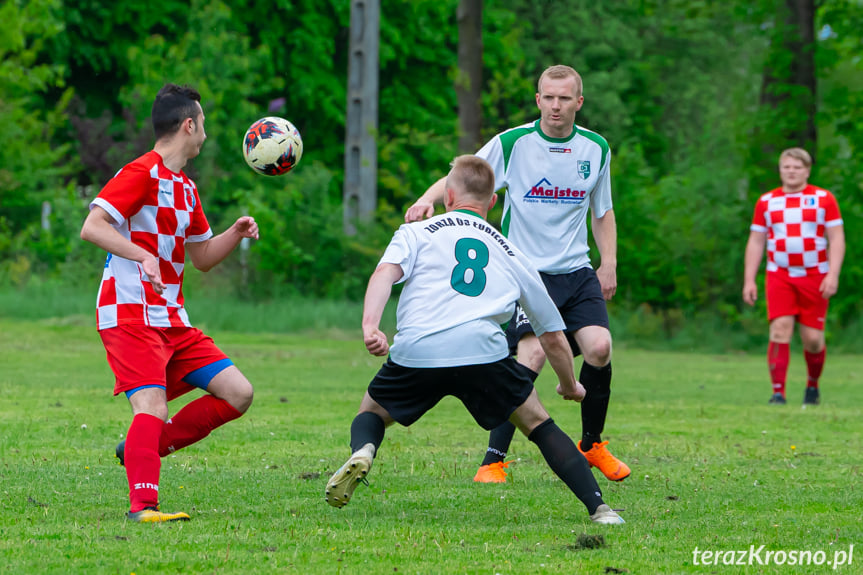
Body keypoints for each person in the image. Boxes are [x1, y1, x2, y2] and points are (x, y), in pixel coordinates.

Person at [325, 155, 624, 524]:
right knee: (540, 426)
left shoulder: (416, 233)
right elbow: (551, 334)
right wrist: (570, 384)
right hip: (482, 353)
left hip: (419, 349)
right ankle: (600, 508)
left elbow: (383, 274)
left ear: (448, 196)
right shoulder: (511, 251)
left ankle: (365, 450)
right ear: (493, 202)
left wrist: (371, 326)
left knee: (371, 413)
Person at [405, 65, 629, 484]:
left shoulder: (596, 149)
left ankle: (593, 444)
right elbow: (462, 175)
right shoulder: (513, 143)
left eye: (564, 98)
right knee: (532, 354)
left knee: (600, 348)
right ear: (538, 99)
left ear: (578, 102)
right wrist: (425, 200)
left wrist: (608, 262)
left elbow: (603, 211)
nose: (555, 106)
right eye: (548, 97)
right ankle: (493, 460)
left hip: (576, 271)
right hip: (526, 273)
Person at [80, 83, 259, 523]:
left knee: (238, 392)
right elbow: (93, 226)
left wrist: (233, 234)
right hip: (129, 314)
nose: (205, 133)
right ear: (188, 125)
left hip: (171, 318)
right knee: (152, 408)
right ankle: (143, 507)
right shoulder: (140, 172)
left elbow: (200, 259)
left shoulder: (185, 189)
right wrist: (142, 255)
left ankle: (144, 449)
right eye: (203, 125)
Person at [743, 147, 845, 405]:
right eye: (786, 167)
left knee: (812, 339)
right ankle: (778, 393)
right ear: (780, 170)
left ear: (807, 170)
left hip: (815, 275)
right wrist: (749, 279)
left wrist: (833, 274)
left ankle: (812, 385)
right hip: (779, 274)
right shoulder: (767, 202)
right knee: (780, 329)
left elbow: (836, 238)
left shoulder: (824, 198)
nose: (791, 172)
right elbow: (756, 241)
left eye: (797, 167)